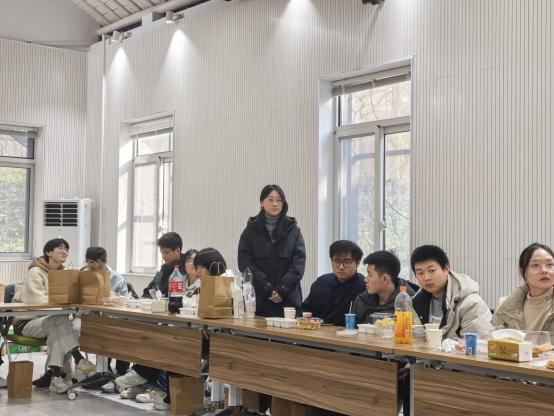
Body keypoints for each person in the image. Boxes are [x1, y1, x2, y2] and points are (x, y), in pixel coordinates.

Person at [115, 246, 203, 411]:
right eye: (189, 260)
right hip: (177, 327)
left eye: (196, 261)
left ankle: (144, 378)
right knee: (150, 335)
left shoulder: (203, 284)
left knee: (167, 342)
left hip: (193, 332)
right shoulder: (180, 280)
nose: (192, 264)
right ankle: (143, 381)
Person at [12, 238, 95, 393]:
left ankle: (55, 377)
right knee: (60, 320)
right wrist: (64, 302)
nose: (65, 252)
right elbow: (35, 300)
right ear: (48, 252)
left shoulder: (62, 274)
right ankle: (79, 359)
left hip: (52, 322)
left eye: (66, 249)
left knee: (60, 331)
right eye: (60, 248)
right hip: (27, 322)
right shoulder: (35, 271)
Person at [238, 184, 306, 317]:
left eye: (279, 200)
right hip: (260, 300)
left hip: (288, 301)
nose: (275, 204)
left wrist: (283, 289)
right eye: (270, 199)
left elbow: (298, 264)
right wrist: (266, 287)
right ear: (261, 203)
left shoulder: (293, 230)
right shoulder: (250, 231)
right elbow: (245, 264)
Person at [411, 245, 492, 339]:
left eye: (432, 270)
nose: (426, 278)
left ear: (446, 269)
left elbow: (477, 343)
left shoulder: (471, 304)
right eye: (420, 273)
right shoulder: (415, 303)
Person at [491, 243, 554, 336]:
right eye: (535, 265)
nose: (544, 270)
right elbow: (493, 339)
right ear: (523, 272)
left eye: (550, 264)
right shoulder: (506, 306)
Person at [302, 240, 365, 326]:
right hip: (319, 331)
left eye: (347, 262)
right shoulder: (321, 283)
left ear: (357, 263)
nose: (341, 267)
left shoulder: (364, 286)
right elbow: (306, 310)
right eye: (336, 261)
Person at [352, 250, 419, 324]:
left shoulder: (410, 302)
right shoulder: (362, 300)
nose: (365, 279)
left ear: (384, 278)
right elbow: (351, 328)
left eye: (370, 275)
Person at [142, 232, 187, 298]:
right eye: (161, 252)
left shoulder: (185, 269)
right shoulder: (164, 269)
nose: (163, 256)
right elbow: (148, 292)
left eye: (166, 252)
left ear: (177, 250)